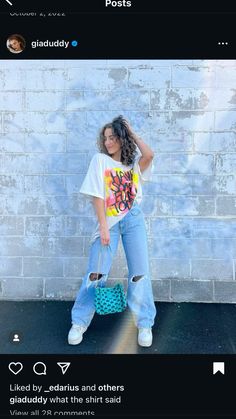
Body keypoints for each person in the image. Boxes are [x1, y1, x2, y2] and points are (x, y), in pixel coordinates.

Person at [68, 115, 156, 348]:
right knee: (95, 273)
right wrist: (104, 227)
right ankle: (79, 322)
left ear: (122, 139)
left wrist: (133, 132)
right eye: (105, 138)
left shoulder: (131, 167)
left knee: (140, 273)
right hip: (109, 221)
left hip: (133, 218)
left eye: (113, 137)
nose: (108, 142)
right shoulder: (100, 161)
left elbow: (149, 155)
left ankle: (145, 322)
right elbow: (97, 195)